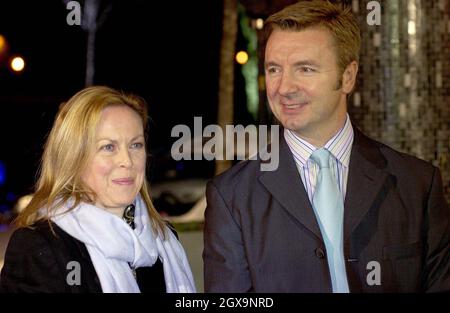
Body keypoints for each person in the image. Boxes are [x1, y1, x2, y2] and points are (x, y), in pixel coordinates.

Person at [203, 0, 449, 292]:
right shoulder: (231, 198)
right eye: (273, 69)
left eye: (304, 69)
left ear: (347, 77)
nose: (283, 88)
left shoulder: (417, 184)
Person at [0, 86, 196, 293]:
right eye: (108, 147)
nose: (127, 161)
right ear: (73, 157)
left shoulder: (164, 239)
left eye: (136, 145)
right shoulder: (40, 246)